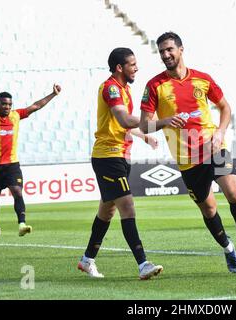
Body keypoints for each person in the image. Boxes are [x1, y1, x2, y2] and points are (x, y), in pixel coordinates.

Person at [139, 32, 236, 274]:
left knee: (234, 194)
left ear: (181, 49)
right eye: (161, 51)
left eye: (169, 49)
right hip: (187, 160)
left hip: (213, 147)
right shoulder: (155, 85)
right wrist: (164, 121)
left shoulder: (202, 79)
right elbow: (144, 125)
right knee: (209, 209)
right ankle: (229, 251)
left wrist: (220, 132)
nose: (165, 55)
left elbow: (225, 107)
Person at [77, 47, 163, 280]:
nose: (136, 68)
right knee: (127, 206)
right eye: (132, 64)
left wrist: (144, 135)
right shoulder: (111, 88)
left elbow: (124, 124)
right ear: (119, 67)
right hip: (108, 156)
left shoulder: (123, 89)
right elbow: (124, 118)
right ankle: (143, 263)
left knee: (107, 212)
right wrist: (159, 122)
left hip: (121, 156)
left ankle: (87, 260)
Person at [0, 80, 61, 238]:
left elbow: (35, 106)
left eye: (9, 104)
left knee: (17, 192)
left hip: (12, 165)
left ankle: (22, 224)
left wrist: (53, 94)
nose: (7, 107)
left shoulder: (16, 116)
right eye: (4, 104)